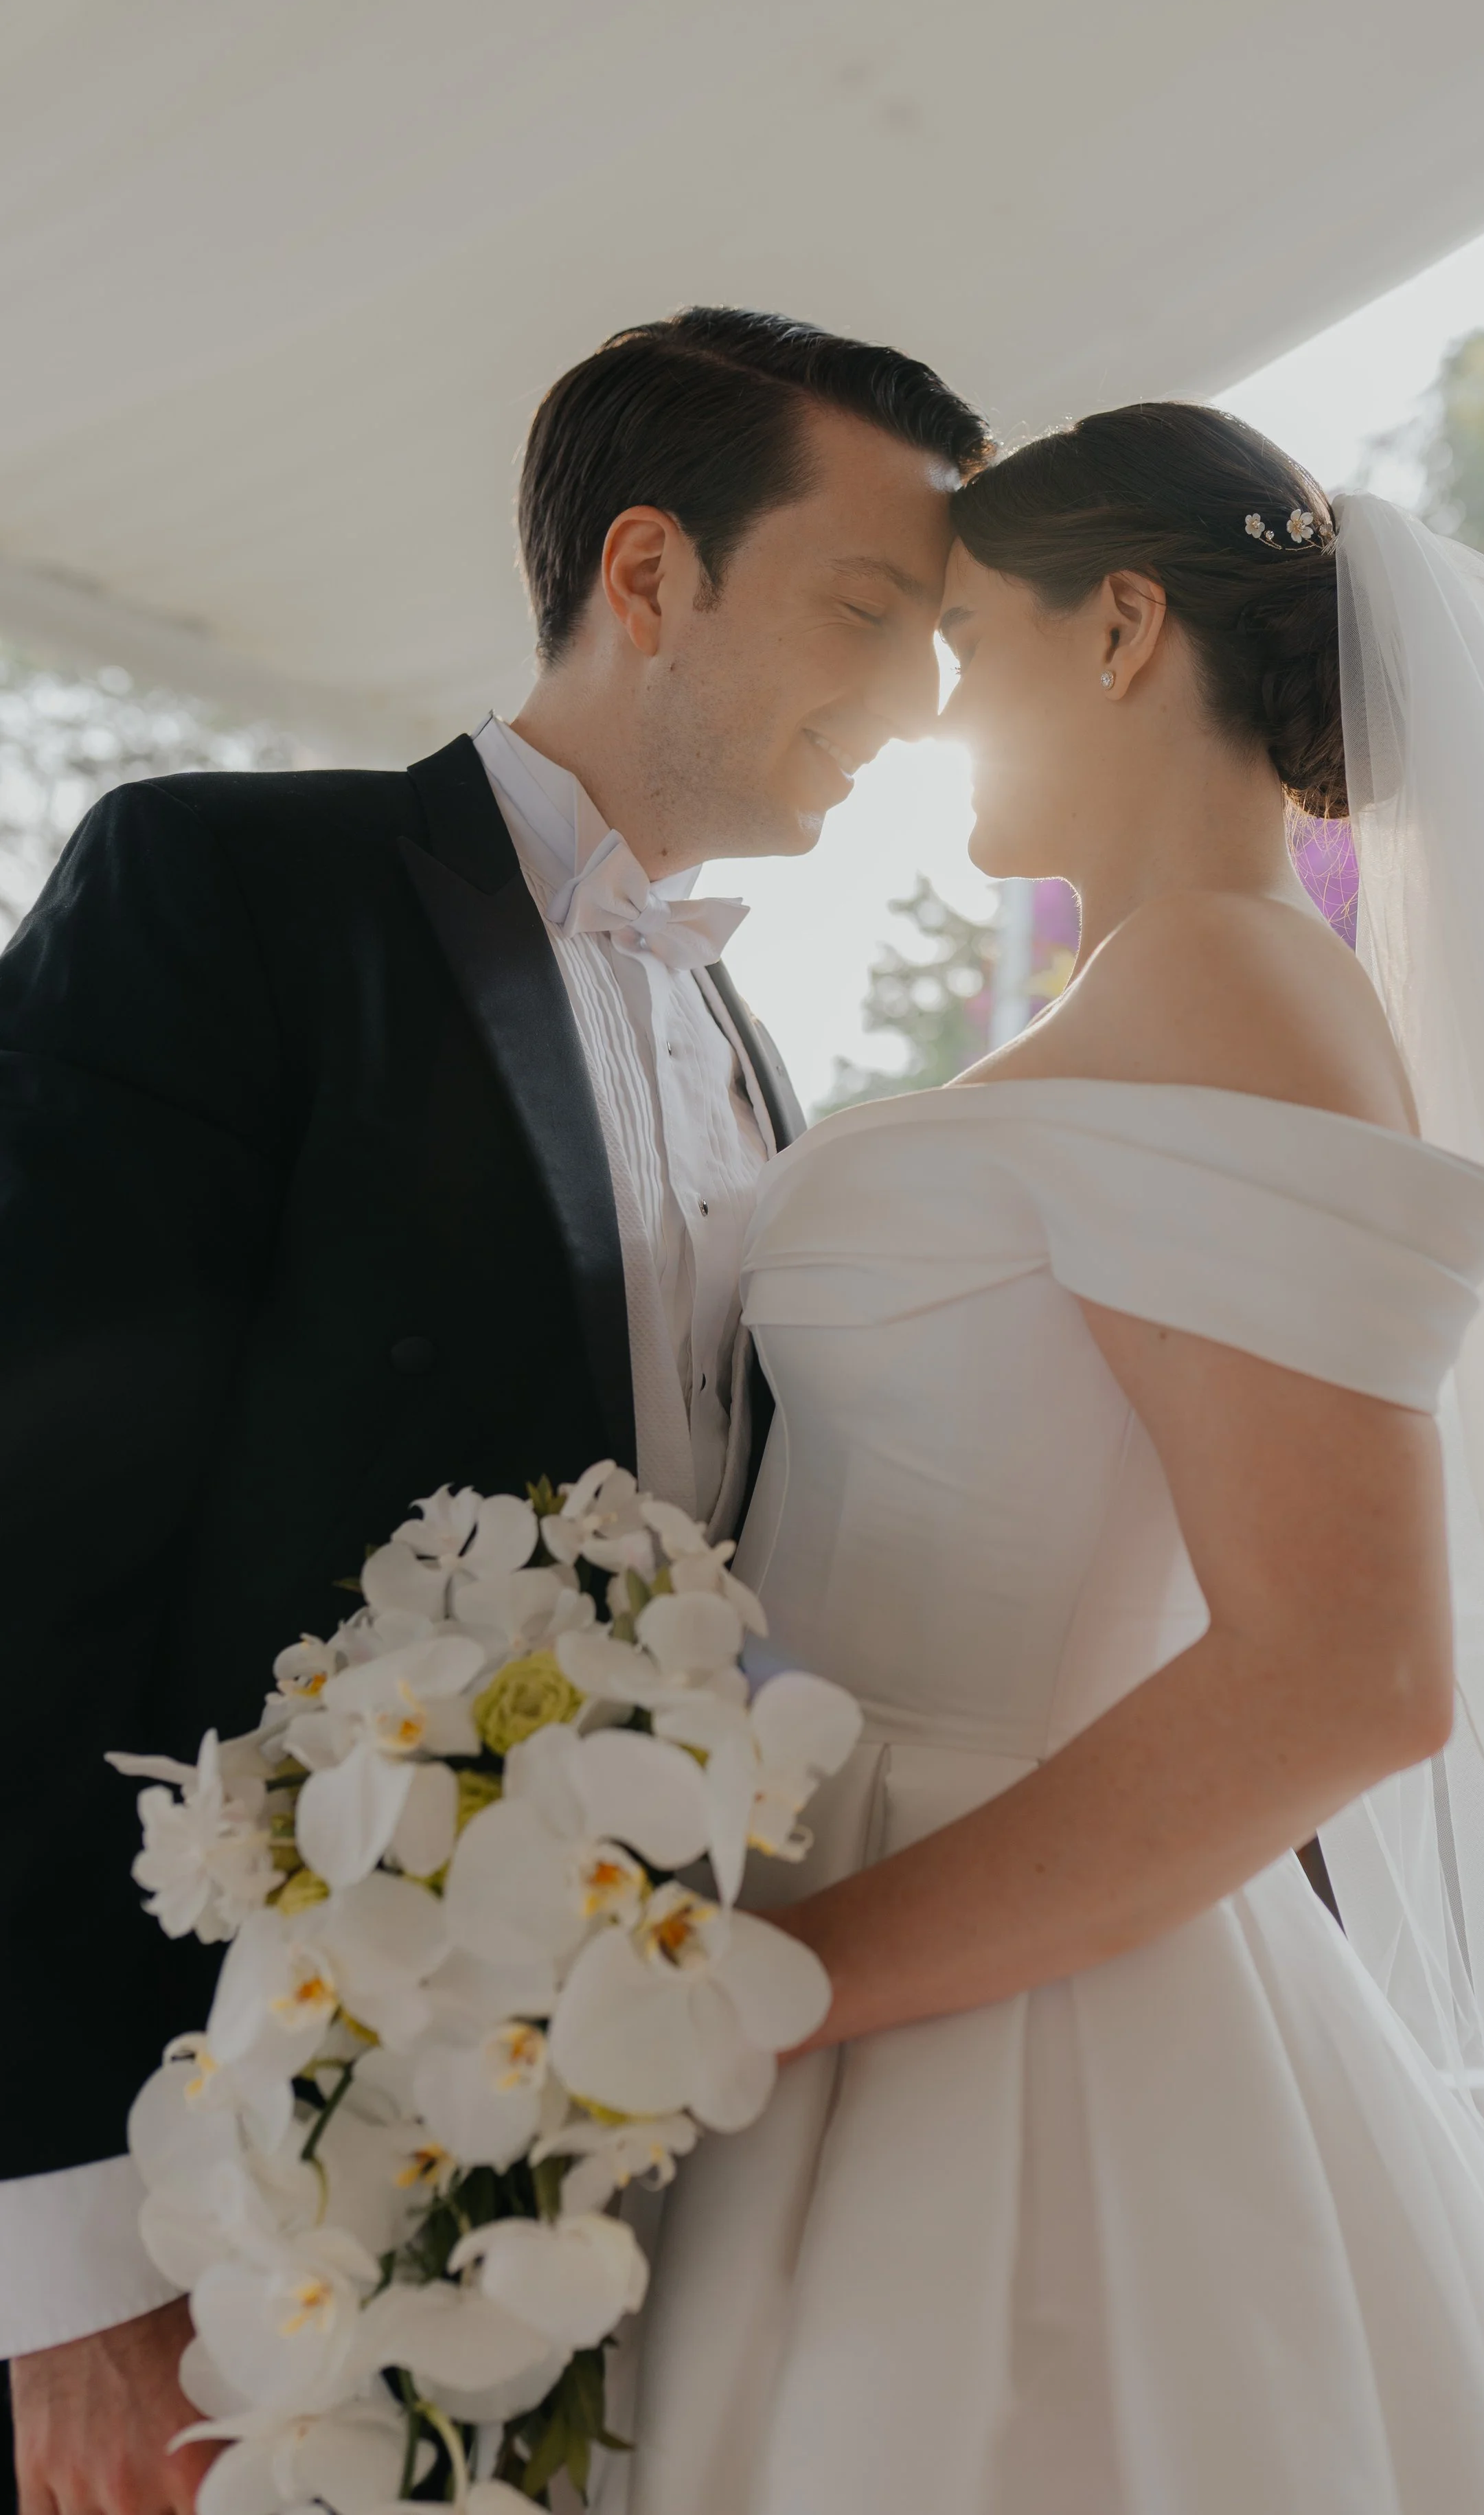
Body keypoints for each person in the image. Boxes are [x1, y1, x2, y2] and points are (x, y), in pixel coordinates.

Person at [616, 405, 1484, 2512]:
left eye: (959, 638)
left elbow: (1349, 1665)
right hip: (897, 1909)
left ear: (1119, 627)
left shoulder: (1223, 983)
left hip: (994, 2002)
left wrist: (782, 1988)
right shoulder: (1156, 986)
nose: (921, 710)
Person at [0, 306, 988, 2515]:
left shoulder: (755, 1044)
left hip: (614, 2151)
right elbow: (25, 1563)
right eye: (868, 609)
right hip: (210, 2167)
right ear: (649, 576)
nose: (918, 699)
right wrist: (57, 2267)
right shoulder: (230, 893)